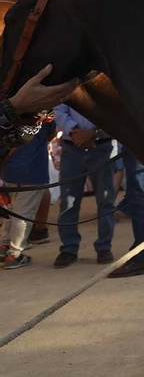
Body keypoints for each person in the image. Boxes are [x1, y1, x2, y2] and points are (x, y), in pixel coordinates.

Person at [1, 66, 81, 269]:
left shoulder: (12, 112)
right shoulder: (44, 116)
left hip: (10, 167)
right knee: (24, 213)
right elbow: (51, 135)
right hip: (32, 169)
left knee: (13, 210)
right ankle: (14, 253)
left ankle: (3, 245)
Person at [53, 102, 117, 267]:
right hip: (72, 147)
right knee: (68, 202)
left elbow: (111, 110)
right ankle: (69, 248)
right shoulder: (67, 87)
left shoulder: (104, 86)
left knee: (105, 200)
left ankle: (104, 247)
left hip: (101, 145)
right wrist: (75, 131)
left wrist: (92, 132)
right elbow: (59, 109)